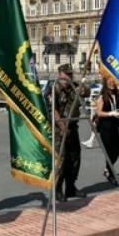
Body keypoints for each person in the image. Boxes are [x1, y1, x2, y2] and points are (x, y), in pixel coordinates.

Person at [47, 63, 89, 202]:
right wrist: (62, 127)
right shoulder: (54, 89)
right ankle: (58, 189)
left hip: (73, 126)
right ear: (60, 74)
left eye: (71, 74)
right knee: (62, 160)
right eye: (67, 74)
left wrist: (83, 85)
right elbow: (53, 110)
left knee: (75, 158)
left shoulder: (74, 87)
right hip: (59, 129)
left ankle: (70, 187)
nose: (70, 76)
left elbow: (87, 93)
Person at [94, 76, 119, 184]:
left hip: (115, 126)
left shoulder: (117, 96)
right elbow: (99, 113)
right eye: (109, 81)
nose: (112, 83)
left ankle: (107, 168)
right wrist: (111, 113)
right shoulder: (102, 97)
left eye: (113, 82)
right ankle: (110, 174)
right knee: (109, 151)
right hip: (105, 127)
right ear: (105, 83)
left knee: (116, 152)